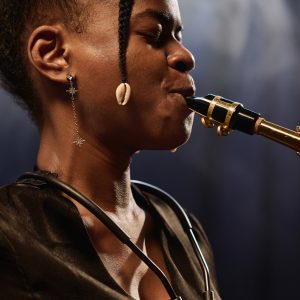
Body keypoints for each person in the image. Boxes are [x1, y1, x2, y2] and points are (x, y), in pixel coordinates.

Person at [0, 0, 220, 299]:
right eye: (154, 34)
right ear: (53, 54)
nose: (186, 56)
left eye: (177, 36)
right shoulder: (7, 232)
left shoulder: (184, 230)